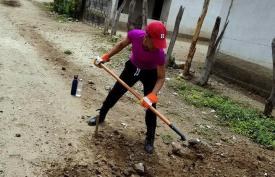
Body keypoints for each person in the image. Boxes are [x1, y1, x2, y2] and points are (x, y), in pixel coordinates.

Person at [88, 21, 167, 154]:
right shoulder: (135, 35)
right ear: (146, 37)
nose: (157, 47)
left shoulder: (159, 54)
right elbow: (121, 45)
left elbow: (161, 77)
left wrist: (152, 96)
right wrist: (106, 57)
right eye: (155, 43)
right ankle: (101, 117)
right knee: (115, 92)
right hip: (132, 67)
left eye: (160, 44)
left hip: (150, 73)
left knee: (151, 107)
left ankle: (150, 138)